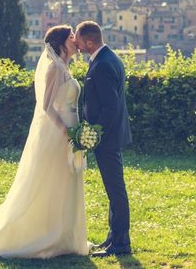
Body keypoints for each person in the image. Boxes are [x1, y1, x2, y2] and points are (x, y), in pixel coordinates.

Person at [0, 25, 93, 258]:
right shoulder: (55, 68)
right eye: (71, 36)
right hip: (58, 134)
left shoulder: (66, 67)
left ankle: (66, 236)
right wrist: (66, 131)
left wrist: (79, 131)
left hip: (73, 132)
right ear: (62, 42)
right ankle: (43, 236)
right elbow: (46, 106)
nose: (76, 40)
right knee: (51, 182)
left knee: (67, 182)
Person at [75, 20, 133, 256]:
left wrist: (94, 133)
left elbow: (110, 106)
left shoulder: (102, 65)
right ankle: (113, 238)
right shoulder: (108, 58)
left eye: (78, 40)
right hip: (111, 136)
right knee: (113, 190)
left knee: (116, 190)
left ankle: (121, 244)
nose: (76, 45)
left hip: (107, 139)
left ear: (89, 41)